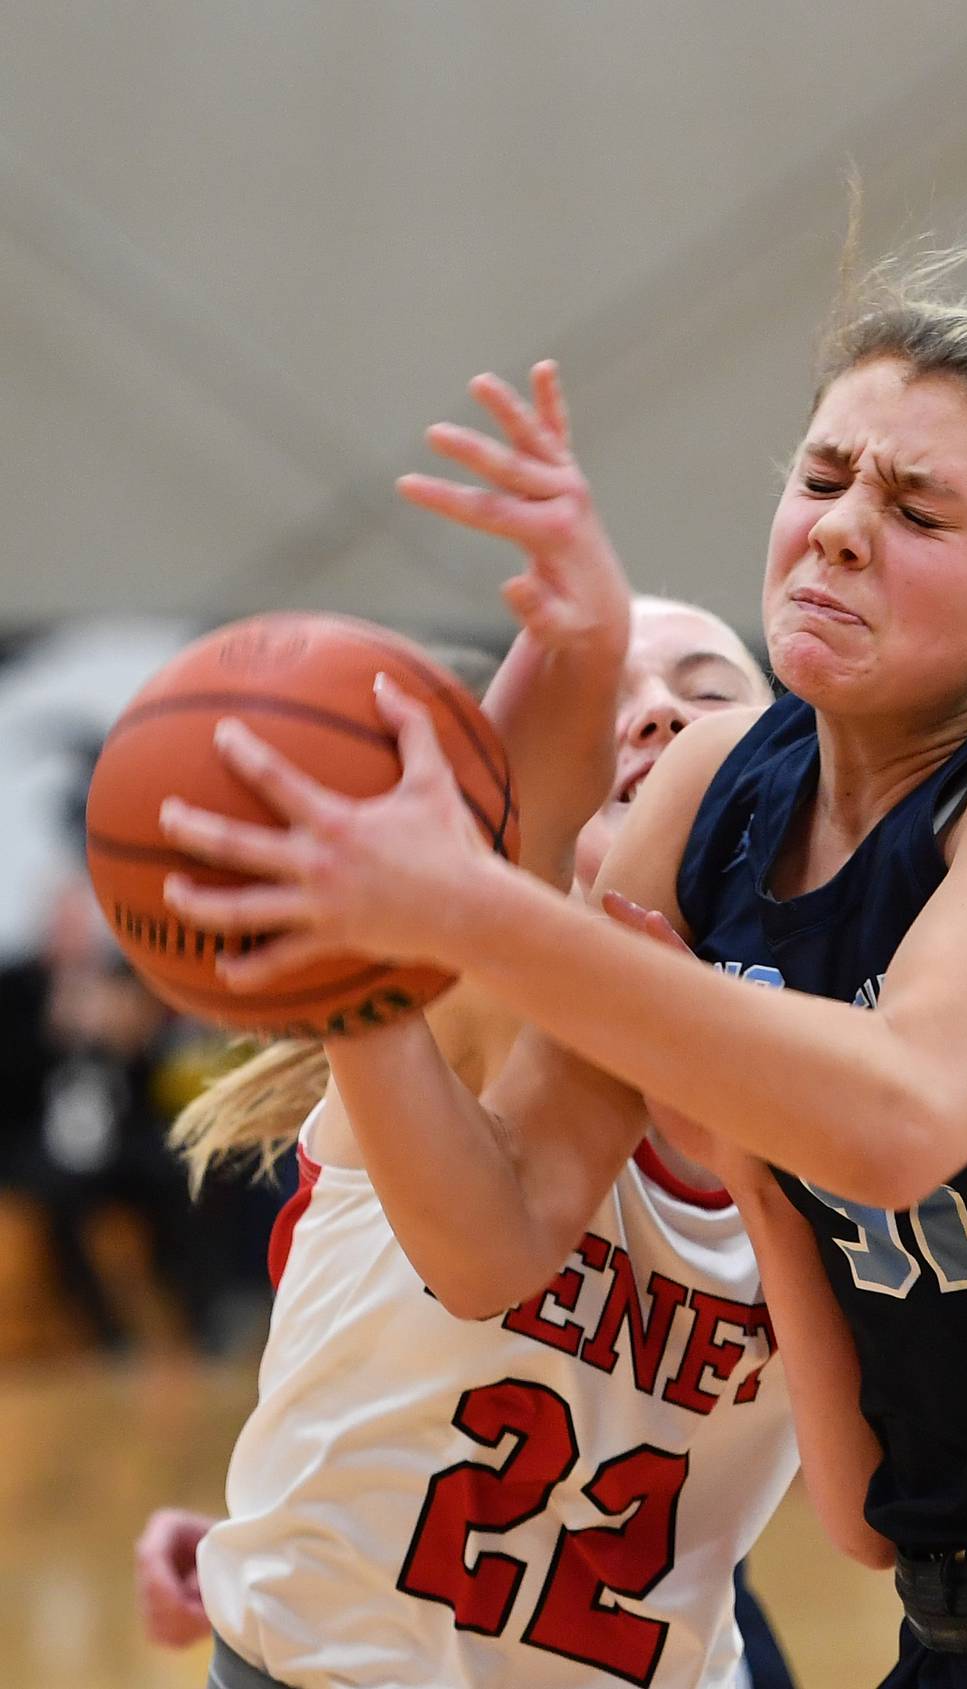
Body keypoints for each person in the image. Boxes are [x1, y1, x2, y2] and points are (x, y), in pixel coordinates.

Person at [158, 66, 967, 1687]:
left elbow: (897, 1114)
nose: (838, 527)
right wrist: (368, 967)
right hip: (963, 1622)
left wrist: (465, 903)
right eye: (823, 475)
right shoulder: (711, 793)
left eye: (915, 508)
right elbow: (499, 1237)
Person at [140, 365, 796, 1688]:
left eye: (703, 683)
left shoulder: (835, 1051)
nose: (654, 707)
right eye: (619, 692)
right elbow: (518, 820)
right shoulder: (461, 981)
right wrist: (577, 627)